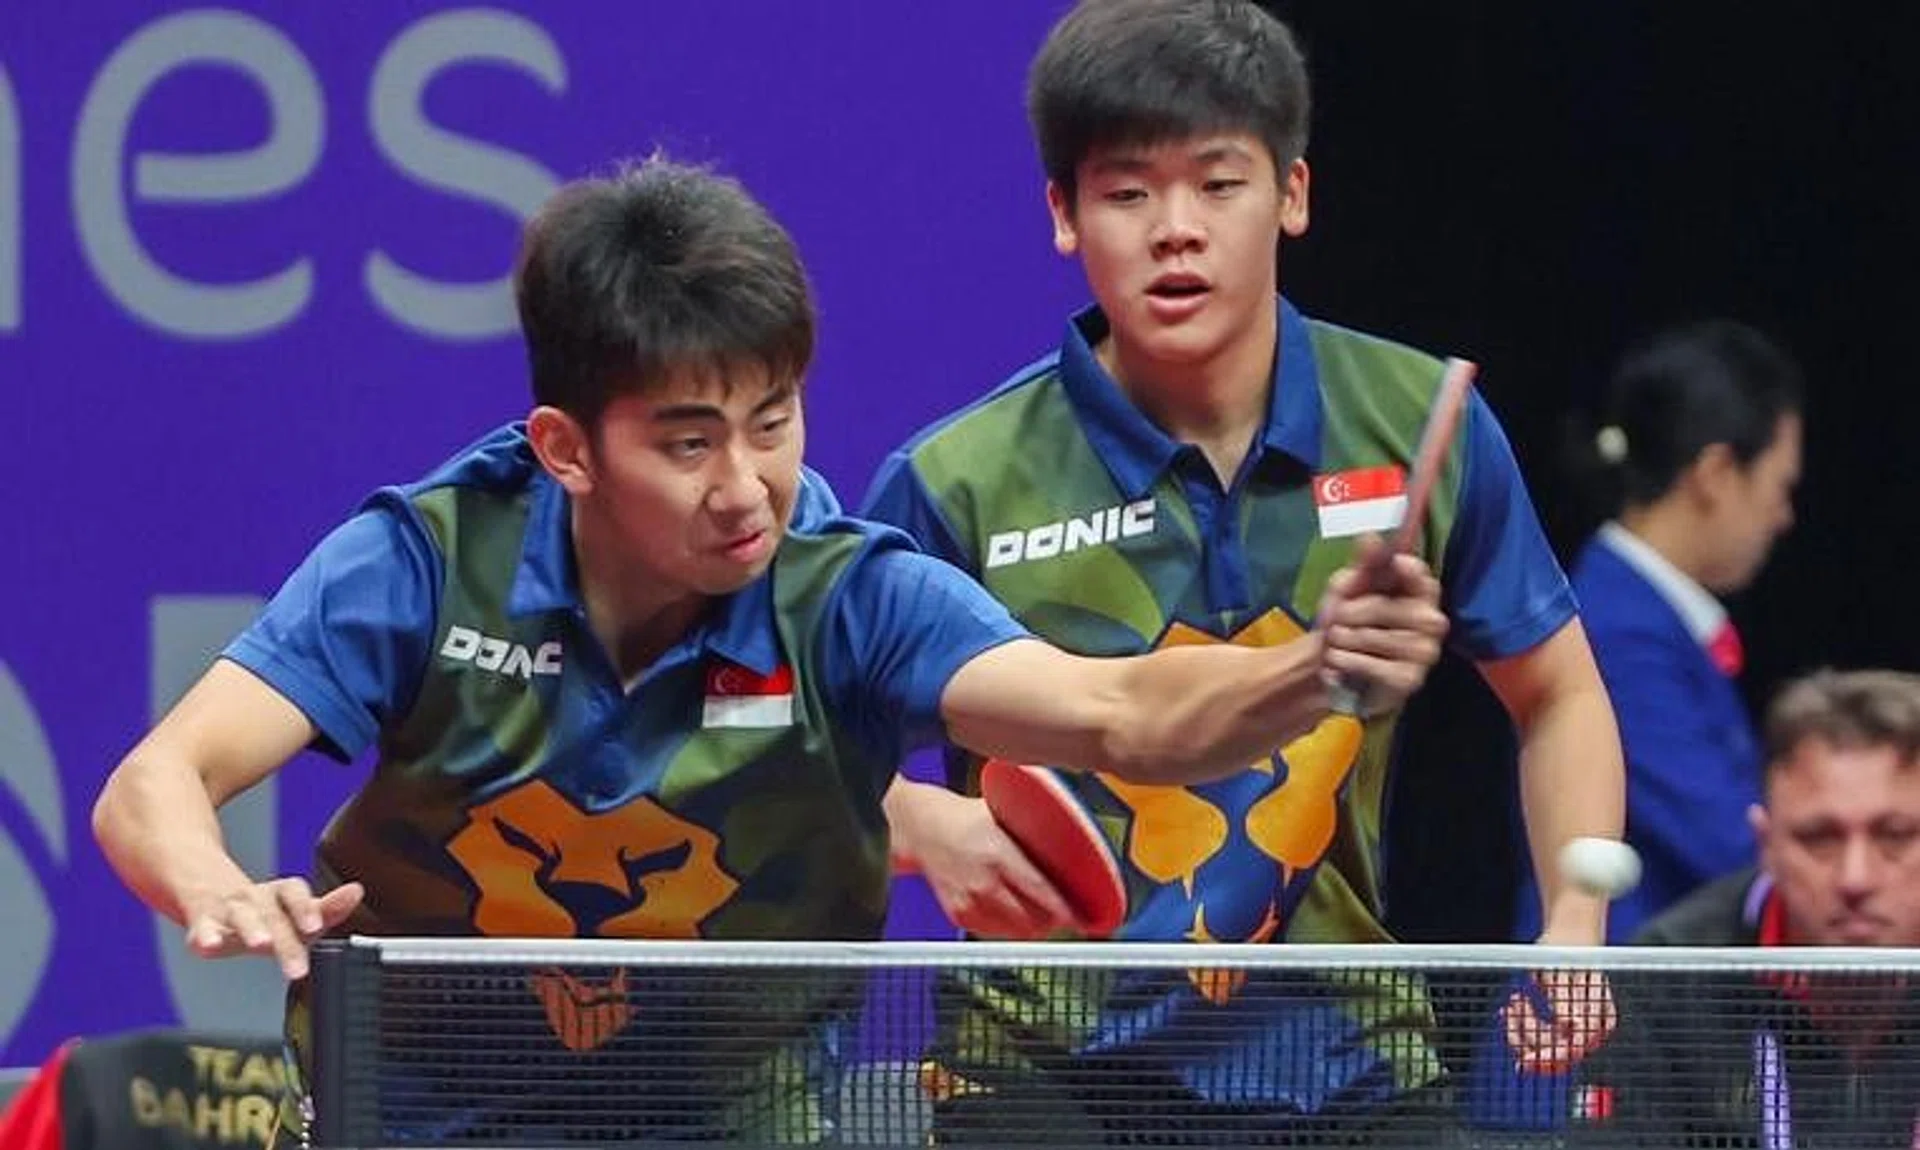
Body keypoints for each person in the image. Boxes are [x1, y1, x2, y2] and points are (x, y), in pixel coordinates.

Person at [89, 155, 1447, 1145]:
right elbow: (156, 781)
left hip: (732, 1122)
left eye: (774, 419)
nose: (750, 484)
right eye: (689, 440)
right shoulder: (431, 560)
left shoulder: (842, 591)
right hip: (429, 1116)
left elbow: (1116, 713)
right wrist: (221, 886)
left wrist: (1308, 669)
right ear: (566, 446)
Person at [859, 0, 1625, 1143]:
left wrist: (1574, 921)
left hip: (1349, 1054)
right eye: (1127, 192)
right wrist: (922, 819)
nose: (1177, 229)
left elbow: (1556, 691)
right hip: (1042, 1067)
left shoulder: (1421, 426)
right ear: (1064, 215)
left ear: (1294, 194)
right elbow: (801, 749)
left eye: (1219, 184)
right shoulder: (956, 479)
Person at [1513, 320, 1805, 946]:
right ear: (1716, 473)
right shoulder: (1616, 633)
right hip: (1596, 1023)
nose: (1785, 517)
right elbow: (1726, 843)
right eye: (1780, 486)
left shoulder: (1637, 617)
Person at [1579, 669, 1920, 1147]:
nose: (1855, 878)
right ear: (1767, 844)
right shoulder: (1664, 984)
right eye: (1818, 838)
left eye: (1896, 835)